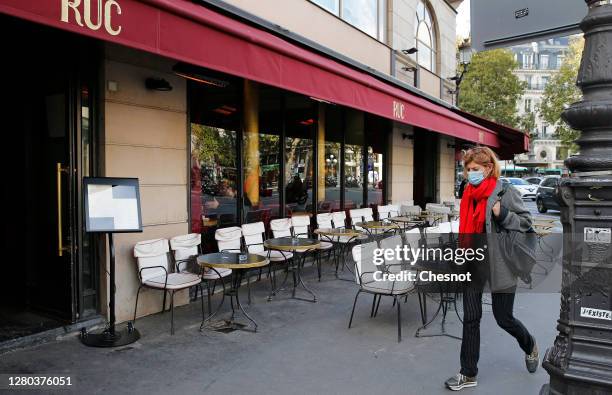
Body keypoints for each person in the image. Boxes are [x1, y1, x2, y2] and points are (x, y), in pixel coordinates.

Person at [445, 146, 539, 391]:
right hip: (473, 262)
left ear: (488, 168)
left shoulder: (505, 192)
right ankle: (468, 373)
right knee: (471, 318)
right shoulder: (468, 192)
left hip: (502, 265)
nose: (469, 174)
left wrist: (503, 213)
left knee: (503, 318)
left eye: (474, 169)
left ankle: (529, 344)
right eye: (467, 169)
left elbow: (527, 223)